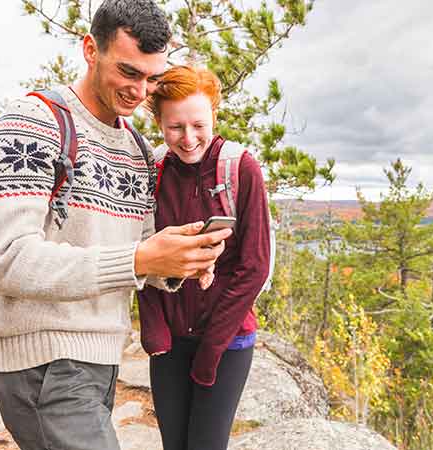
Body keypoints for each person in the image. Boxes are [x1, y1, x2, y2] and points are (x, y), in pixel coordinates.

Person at [0, 2, 232, 450]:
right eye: (129, 72)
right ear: (91, 49)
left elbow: (141, 252)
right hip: (43, 362)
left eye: (151, 78)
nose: (140, 91)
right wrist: (140, 258)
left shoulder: (137, 149)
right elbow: (7, 259)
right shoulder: (32, 123)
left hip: (101, 359)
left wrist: (178, 261)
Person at [138, 66, 271, 450]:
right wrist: (154, 328)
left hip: (227, 341)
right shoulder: (154, 171)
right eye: (175, 127)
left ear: (214, 114)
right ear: (159, 122)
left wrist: (213, 347)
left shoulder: (240, 168)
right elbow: (143, 250)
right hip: (170, 340)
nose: (189, 138)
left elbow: (254, 266)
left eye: (198, 124)